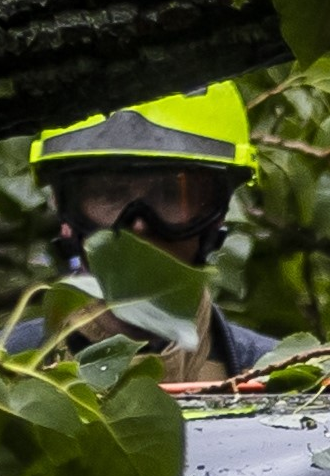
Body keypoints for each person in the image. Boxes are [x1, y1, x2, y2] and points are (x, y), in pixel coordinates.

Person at [18, 86, 283, 385]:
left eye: (170, 193)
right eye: (110, 193)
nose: (140, 227)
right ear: (64, 210)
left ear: (216, 214)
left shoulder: (283, 385)